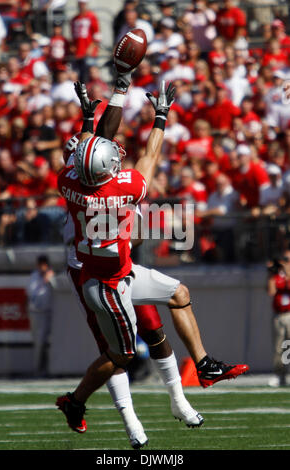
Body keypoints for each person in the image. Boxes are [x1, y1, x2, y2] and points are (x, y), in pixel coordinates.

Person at [56, 79, 248, 436]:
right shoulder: (122, 186)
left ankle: (203, 365)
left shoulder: (68, 181)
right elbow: (149, 157)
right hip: (103, 282)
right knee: (120, 355)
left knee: (177, 296)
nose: (117, 155)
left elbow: (87, 149)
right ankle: (78, 400)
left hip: (114, 268)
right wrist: (161, 115)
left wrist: (86, 120)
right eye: (110, 154)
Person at [27, 255, 55, 376]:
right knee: (38, 342)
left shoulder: (52, 275)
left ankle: (48, 368)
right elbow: (31, 293)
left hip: (49, 313)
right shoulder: (34, 275)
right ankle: (38, 369)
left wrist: (48, 278)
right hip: (36, 313)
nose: (40, 267)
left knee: (48, 341)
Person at [267, 250, 290, 386]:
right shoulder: (276, 276)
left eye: (286, 259)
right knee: (279, 347)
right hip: (279, 315)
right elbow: (271, 291)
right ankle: (280, 375)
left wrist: (287, 271)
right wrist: (271, 273)